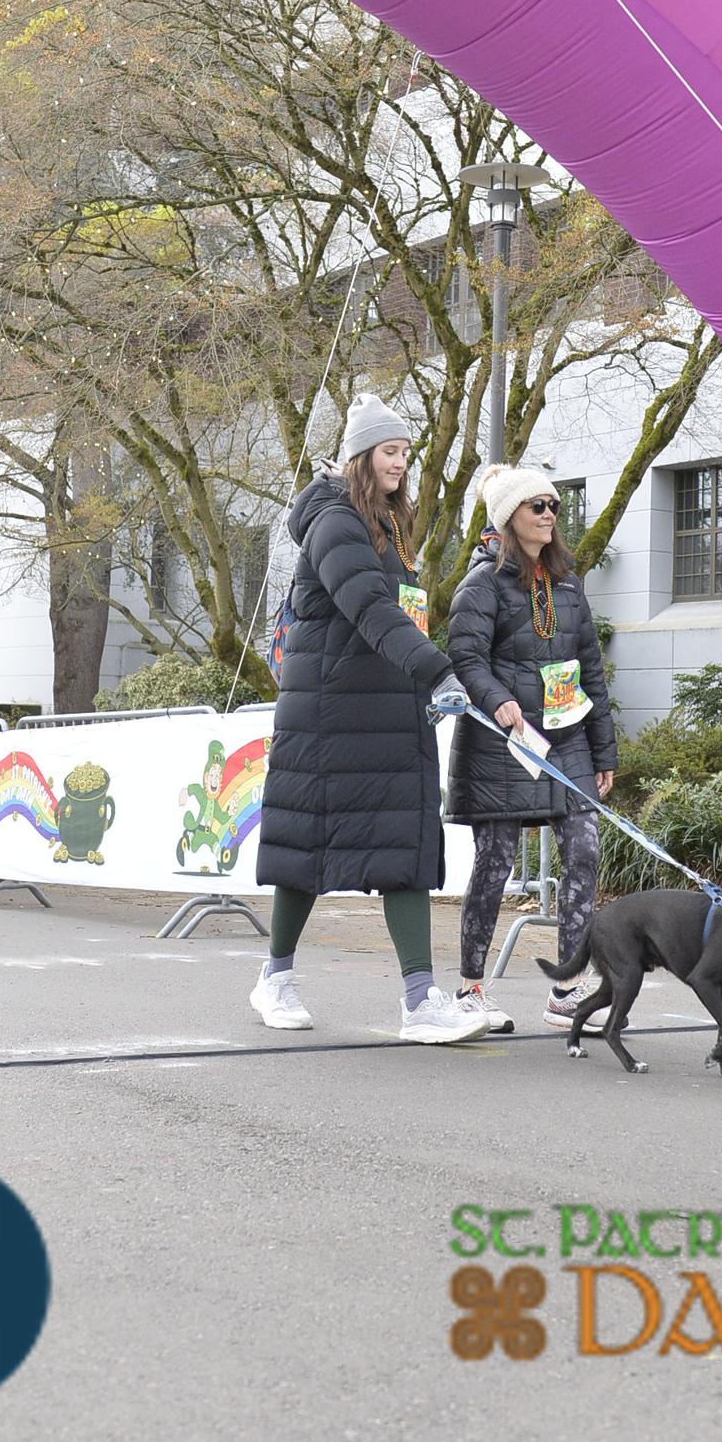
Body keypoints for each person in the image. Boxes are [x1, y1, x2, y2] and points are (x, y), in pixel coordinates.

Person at [250, 393, 486, 1044]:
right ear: (359, 457)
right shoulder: (333, 522)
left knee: (405, 843)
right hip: (327, 717)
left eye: (405, 452)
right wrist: (435, 669)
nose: (400, 463)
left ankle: (419, 999)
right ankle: (274, 977)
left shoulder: (386, 526)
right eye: (389, 451)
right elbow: (371, 610)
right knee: (306, 846)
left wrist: (424, 681)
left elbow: (402, 611)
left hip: (389, 712)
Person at [446, 462, 618, 1033]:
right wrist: (497, 700)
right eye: (537, 506)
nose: (549, 515)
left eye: (553, 507)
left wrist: (604, 752)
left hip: (567, 740)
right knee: (495, 863)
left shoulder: (569, 584)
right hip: (504, 743)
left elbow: (591, 670)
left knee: (585, 851)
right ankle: (471, 988)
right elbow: (465, 657)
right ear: (508, 517)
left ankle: (567, 988)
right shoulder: (481, 584)